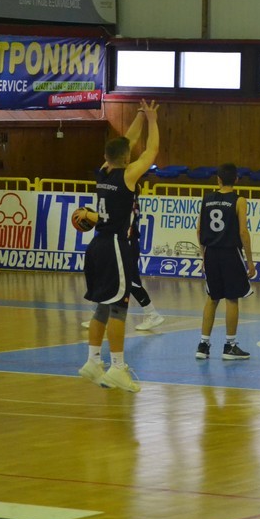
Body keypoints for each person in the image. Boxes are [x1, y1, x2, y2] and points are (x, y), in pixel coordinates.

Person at [78, 99, 160, 392]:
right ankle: (117, 367)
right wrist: (152, 120)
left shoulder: (103, 172)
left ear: (107, 156)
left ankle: (92, 361)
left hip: (96, 244)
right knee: (118, 309)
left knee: (102, 305)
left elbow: (127, 142)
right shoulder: (127, 176)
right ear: (127, 159)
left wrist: (139, 116)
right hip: (115, 244)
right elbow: (150, 151)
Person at [196, 162, 256, 360]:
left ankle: (203, 345)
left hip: (211, 253)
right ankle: (230, 346)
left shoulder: (206, 199)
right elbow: (243, 232)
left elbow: (199, 230)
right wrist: (250, 261)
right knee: (232, 299)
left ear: (218, 179)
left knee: (212, 298)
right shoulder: (239, 201)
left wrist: (203, 256)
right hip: (230, 253)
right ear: (236, 179)